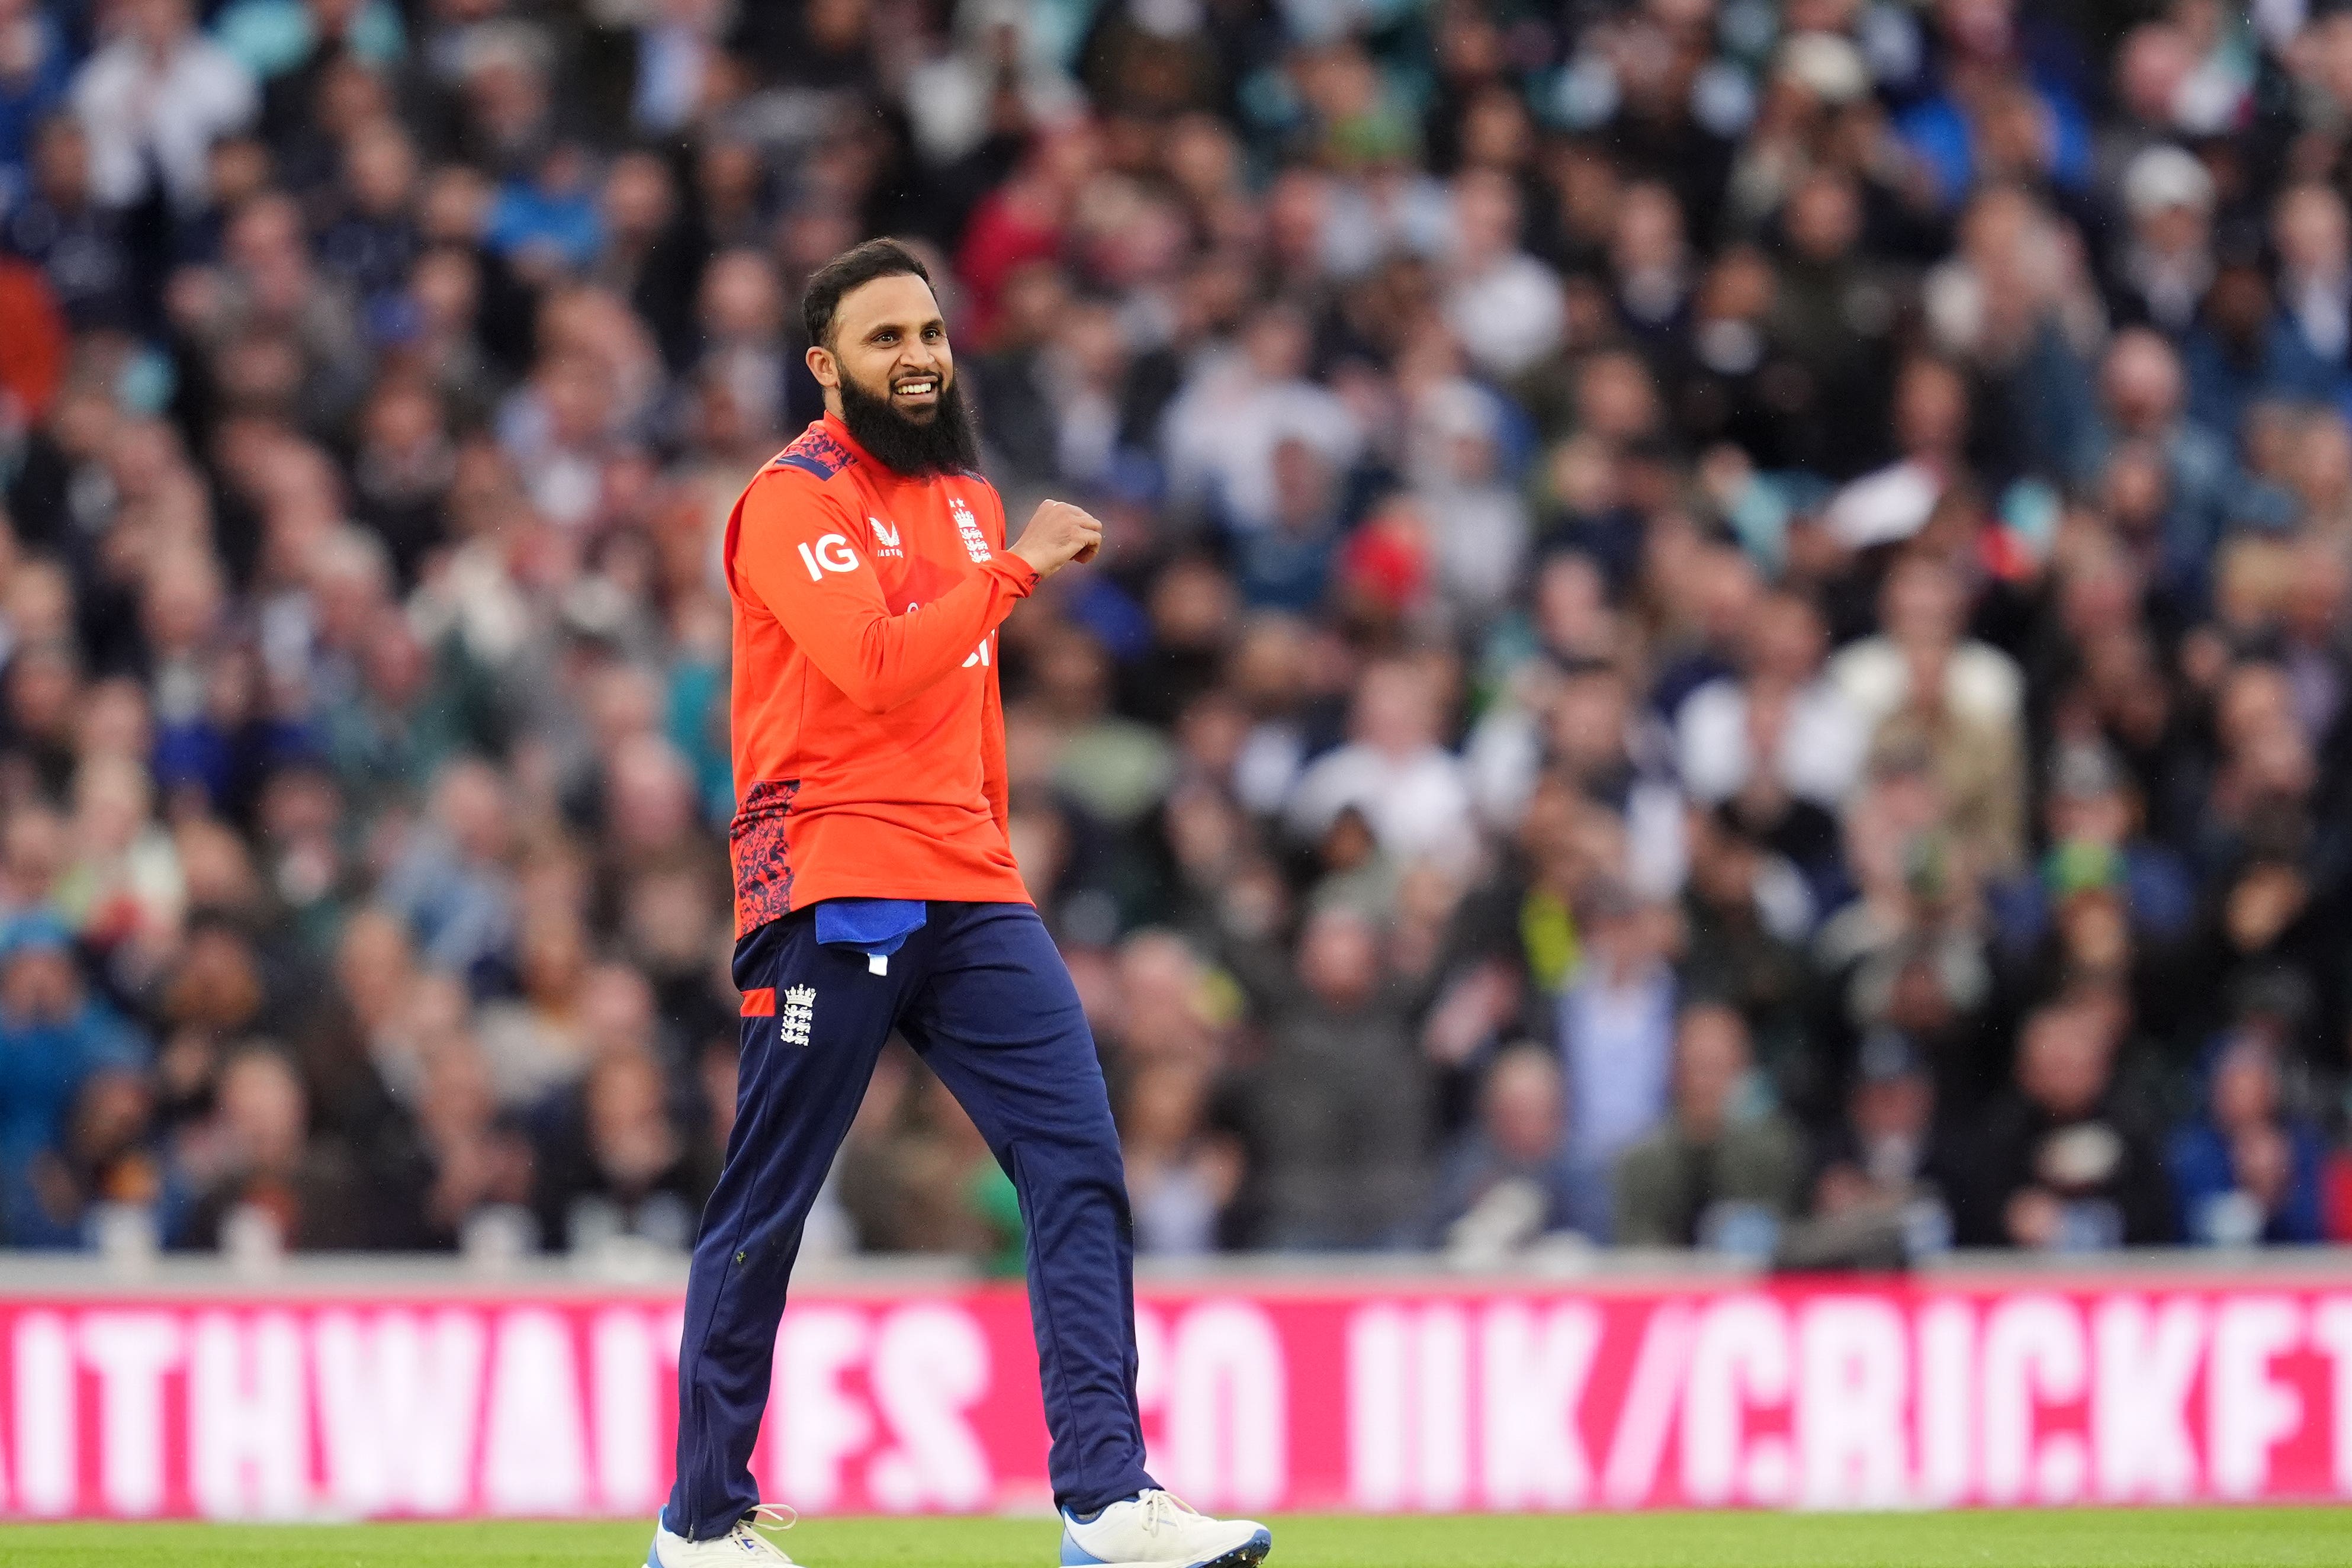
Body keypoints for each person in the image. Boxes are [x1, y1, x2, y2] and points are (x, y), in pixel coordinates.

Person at [654, 239, 1271, 1568]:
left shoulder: (966, 501)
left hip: (970, 883)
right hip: (831, 875)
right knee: (772, 1195)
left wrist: (995, 844)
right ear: (827, 366)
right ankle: (701, 1524)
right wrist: (1020, 570)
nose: (919, 357)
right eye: (885, 340)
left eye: (929, 332)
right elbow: (875, 669)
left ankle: (1106, 1501)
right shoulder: (789, 499)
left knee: (1078, 1165)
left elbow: (965, 711)